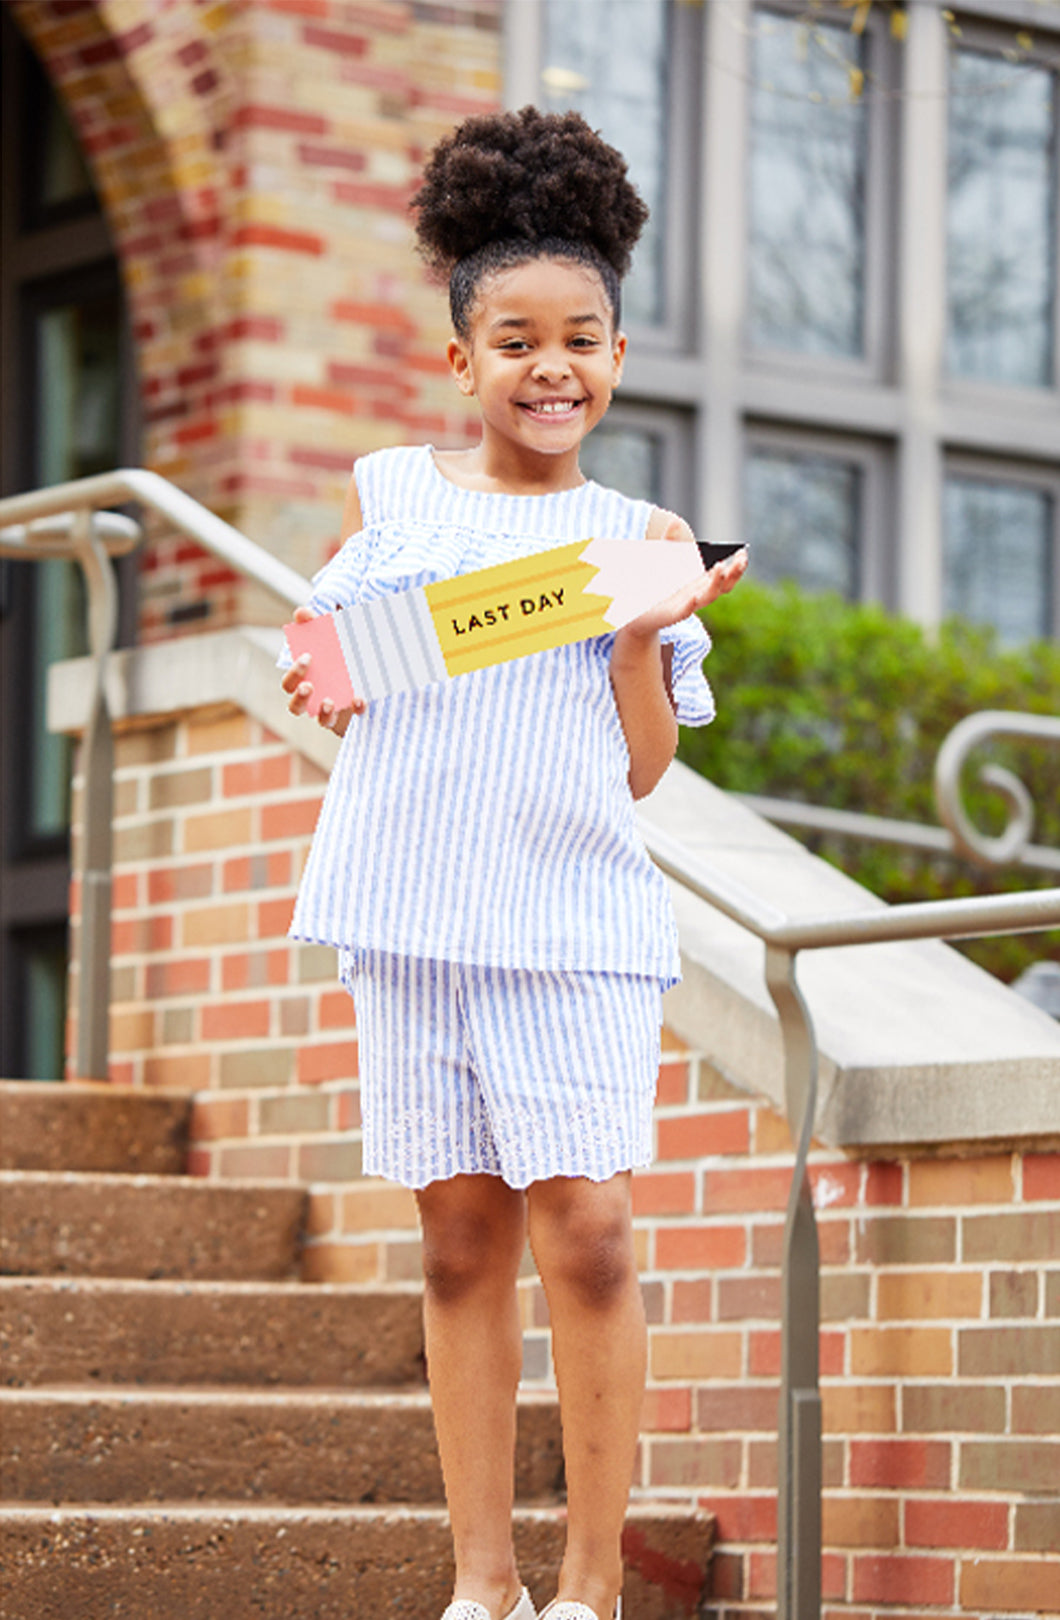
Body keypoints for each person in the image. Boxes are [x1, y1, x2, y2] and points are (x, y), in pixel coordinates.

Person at [280, 107, 746, 1620]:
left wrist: (632, 633)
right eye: (518, 337)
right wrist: (329, 676)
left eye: (584, 338)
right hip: (417, 914)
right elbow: (338, 668)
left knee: (592, 1232)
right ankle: (481, 1583)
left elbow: (642, 765)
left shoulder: (644, 537)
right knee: (461, 1238)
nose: (554, 366)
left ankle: (590, 1583)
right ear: (464, 355)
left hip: (575, 918)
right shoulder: (390, 500)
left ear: (616, 355)